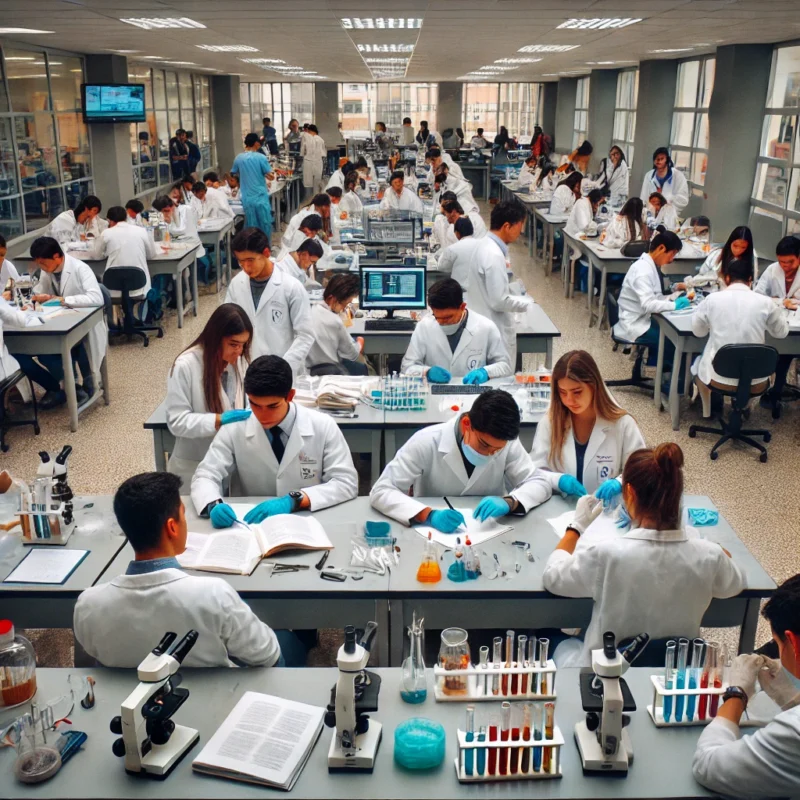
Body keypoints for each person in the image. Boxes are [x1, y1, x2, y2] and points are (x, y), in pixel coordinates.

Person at [543, 442, 746, 667]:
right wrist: (714, 548)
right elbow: (735, 584)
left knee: (551, 638)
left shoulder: (608, 554)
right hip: (673, 677)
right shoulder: (709, 556)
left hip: (609, 676)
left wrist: (576, 528)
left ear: (629, 492)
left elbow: (553, 578)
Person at [73, 472, 283, 668]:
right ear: (172, 527)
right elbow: (267, 656)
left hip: (130, 703)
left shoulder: (88, 604)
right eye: (184, 516)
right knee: (288, 645)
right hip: (212, 700)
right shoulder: (213, 594)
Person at [191, 354, 358, 524]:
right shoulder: (234, 428)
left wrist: (295, 500)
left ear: (290, 396)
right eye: (255, 404)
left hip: (308, 520)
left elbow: (346, 482)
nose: (263, 415)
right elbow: (206, 475)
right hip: (253, 523)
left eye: (272, 406)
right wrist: (213, 504)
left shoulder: (322, 425)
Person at [370, 388, 551, 530]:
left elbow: (539, 483)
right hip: (433, 534)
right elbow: (382, 490)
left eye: (497, 450)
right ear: (466, 425)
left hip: (489, 531)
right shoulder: (426, 441)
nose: (490, 454)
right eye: (484, 445)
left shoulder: (507, 442)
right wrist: (427, 515)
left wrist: (510, 502)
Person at [692, 574, 800, 798]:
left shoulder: (794, 732)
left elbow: (708, 765)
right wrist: (794, 701)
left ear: (793, 643)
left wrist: (736, 694)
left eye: (777, 644)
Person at [530, 350, 645, 498]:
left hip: (605, 510)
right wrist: (558, 480)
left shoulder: (622, 424)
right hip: (559, 513)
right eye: (563, 393)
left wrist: (620, 482)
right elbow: (533, 472)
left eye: (577, 392)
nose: (569, 400)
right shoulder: (550, 422)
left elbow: (641, 470)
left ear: (594, 386)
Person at [691, 258, 789, 417]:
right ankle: (744, 407)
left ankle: (708, 413)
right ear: (750, 280)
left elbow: (698, 332)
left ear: (726, 278)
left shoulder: (712, 300)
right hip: (757, 381)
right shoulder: (766, 303)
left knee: (699, 361)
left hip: (719, 377)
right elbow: (781, 333)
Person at [166, 304, 252, 485]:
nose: (239, 351)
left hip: (232, 461)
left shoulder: (239, 361)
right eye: (233, 344)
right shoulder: (186, 365)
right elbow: (176, 421)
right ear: (216, 338)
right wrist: (217, 420)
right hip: (195, 464)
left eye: (243, 345)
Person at [20, 237, 106, 407]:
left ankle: (87, 384)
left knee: (77, 346)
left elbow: (97, 298)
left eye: (43, 264)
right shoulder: (48, 271)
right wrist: (34, 299)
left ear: (57, 256)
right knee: (44, 351)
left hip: (84, 325)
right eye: (39, 264)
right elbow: (40, 291)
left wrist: (62, 299)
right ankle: (71, 387)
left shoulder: (81, 269)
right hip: (58, 323)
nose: (42, 268)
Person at [225, 227, 313, 375]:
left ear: (266, 253)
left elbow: (305, 335)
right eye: (241, 262)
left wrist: (283, 367)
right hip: (247, 369)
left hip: (282, 372)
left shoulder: (291, 288)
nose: (246, 267)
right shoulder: (236, 284)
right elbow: (226, 325)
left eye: (250, 260)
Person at [401, 278, 511, 384]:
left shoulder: (486, 327)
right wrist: (427, 372)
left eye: (448, 317)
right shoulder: (424, 327)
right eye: (437, 317)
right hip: (434, 395)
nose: (442, 322)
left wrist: (486, 372)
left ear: (462, 307)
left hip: (473, 395)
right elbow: (407, 367)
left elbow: (505, 366)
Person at [464, 200, 534, 365]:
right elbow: (498, 300)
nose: (521, 230)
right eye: (520, 225)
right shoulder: (493, 254)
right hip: (493, 331)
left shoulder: (484, 245)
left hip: (482, 327)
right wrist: (527, 305)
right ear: (507, 226)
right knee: (499, 383)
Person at [613, 227, 689, 367]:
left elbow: (656, 295)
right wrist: (675, 305)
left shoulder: (651, 265)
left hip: (642, 316)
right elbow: (648, 304)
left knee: (671, 334)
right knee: (673, 341)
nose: (671, 260)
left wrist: (674, 293)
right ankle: (671, 382)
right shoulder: (643, 270)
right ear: (661, 248)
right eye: (671, 254)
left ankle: (667, 373)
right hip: (635, 323)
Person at [754, 235, 800, 411]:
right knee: (780, 350)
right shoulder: (773, 270)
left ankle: (778, 388)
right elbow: (758, 297)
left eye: (789, 262)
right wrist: (782, 302)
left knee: (788, 352)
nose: (785, 267)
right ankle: (775, 389)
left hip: (796, 328)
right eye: (781, 262)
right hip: (775, 326)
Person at [91, 206, 157, 299]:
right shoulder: (141, 231)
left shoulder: (106, 233)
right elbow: (151, 255)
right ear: (126, 218)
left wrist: (107, 253)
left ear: (109, 221)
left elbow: (97, 256)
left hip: (114, 287)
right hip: (139, 285)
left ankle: (110, 313)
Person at [307, 273, 365, 375]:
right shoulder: (335, 321)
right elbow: (352, 354)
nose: (344, 309)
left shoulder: (312, 309)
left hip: (309, 370)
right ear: (332, 299)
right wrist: (360, 342)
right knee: (364, 366)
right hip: (331, 371)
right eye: (345, 304)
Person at [231, 132, 276, 234]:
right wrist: (268, 173)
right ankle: (264, 246)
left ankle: (252, 247)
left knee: (251, 224)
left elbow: (233, 174)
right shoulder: (261, 157)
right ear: (256, 143)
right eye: (258, 142)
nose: (259, 144)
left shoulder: (239, 158)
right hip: (260, 196)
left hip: (246, 197)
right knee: (264, 224)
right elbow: (271, 177)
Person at [691, 226, 756, 289]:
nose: (738, 250)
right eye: (735, 246)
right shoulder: (717, 255)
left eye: (743, 247)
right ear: (730, 242)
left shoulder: (748, 264)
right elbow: (702, 273)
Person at [640, 147, 689, 214]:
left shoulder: (678, 176)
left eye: (662, 159)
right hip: (651, 214)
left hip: (670, 216)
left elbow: (683, 200)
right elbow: (644, 198)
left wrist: (665, 198)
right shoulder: (649, 175)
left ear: (667, 160)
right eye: (657, 159)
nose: (659, 161)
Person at [437, 217, 481, 283]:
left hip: (460, 289)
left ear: (457, 233)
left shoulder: (452, 249)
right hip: (479, 289)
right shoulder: (483, 245)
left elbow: (442, 267)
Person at [300, 123, 326, 196]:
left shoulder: (305, 136)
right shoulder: (321, 140)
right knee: (317, 183)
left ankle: (308, 200)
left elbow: (302, 151)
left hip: (308, 162)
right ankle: (316, 199)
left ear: (310, 130)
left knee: (308, 184)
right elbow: (323, 154)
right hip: (318, 162)